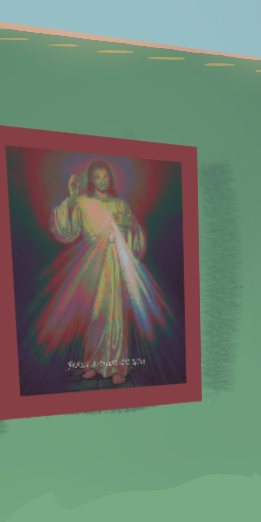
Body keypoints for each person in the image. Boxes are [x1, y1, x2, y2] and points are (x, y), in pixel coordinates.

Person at [36, 162, 172, 386]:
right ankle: (93, 363)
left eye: (105, 176)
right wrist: (71, 198)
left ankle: (117, 366)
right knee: (95, 313)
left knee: (116, 313)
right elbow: (66, 230)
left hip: (116, 263)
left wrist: (130, 225)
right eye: (97, 177)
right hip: (93, 264)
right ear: (91, 180)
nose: (102, 180)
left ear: (110, 179)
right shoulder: (83, 202)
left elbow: (135, 237)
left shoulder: (120, 204)